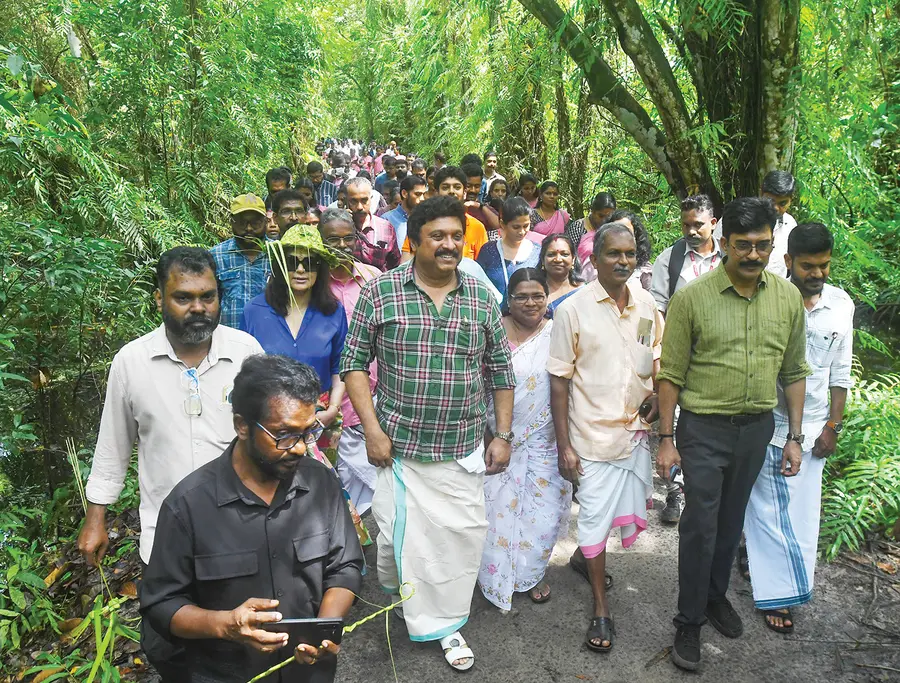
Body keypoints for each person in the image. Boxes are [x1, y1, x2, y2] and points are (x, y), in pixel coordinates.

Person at [341, 196, 515, 672]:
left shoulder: (480, 297)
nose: (449, 244)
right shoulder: (382, 293)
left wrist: (502, 434)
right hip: (398, 451)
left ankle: (446, 624)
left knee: (455, 544)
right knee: (393, 549)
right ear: (414, 242)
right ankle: (413, 599)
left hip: (460, 451)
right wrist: (371, 431)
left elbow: (501, 372)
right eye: (437, 236)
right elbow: (353, 364)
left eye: (456, 236)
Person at [78, 247, 264, 682]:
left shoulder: (246, 353)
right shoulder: (131, 362)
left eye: (208, 296)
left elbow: (269, 435)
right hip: (165, 541)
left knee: (248, 646)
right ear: (159, 298)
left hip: (243, 537)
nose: (198, 308)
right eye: (183, 297)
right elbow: (113, 445)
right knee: (169, 647)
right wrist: (95, 518)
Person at [139, 354, 364, 683]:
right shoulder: (188, 505)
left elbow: (345, 567)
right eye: (284, 434)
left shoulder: (321, 483)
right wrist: (226, 625)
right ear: (242, 425)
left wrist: (320, 632)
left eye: (307, 432)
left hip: (308, 674)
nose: (300, 448)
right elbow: (161, 605)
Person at [656, 197, 810, 672]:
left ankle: (715, 596)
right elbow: (671, 373)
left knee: (731, 522)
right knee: (700, 525)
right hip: (703, 429)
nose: (753, 254)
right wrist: (666, 439)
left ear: (772, 244)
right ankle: (689, 620)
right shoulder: (692, 298)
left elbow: (794, 371)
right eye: (743, 245)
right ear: (724, 243)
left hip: (756, 430)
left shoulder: (787, 298)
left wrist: (795, 436)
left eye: (762, 245)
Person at [548, 223, 663, 654]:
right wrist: (564, 445)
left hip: (633, 434)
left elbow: (655, 359)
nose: (623, 261)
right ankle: (600, 606)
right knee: (595, 519)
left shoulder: (648, 305)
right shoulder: (572, 310)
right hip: (591, 438)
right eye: (613, 253)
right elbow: (559, 381)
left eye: (630, 254)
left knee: (610, 514)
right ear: (594, 260)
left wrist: (657, 398)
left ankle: (583, 557)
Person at [744, 223, 853, 634]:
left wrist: (833, 425)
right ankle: (780, 594)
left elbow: (840, 371)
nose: (817, 274)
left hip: (816, 427)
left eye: (824, 265)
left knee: (804, 516)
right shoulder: (767, 297)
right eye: (808, 266)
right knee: (768, 513)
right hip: (768, 424)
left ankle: (785, 582)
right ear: (789, 261)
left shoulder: (841, 305)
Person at [478, 268, 572, 611]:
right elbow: (477, 385)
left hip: (545, 442)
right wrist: (489, 436)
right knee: (495, 515)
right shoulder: (493, 331)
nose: (530, 303)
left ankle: (530, 575)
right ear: (509, 298)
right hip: (498, 439)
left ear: (547, 298)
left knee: (542, 517)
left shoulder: (558, 333)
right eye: (522, 297)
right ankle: (495, 577)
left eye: (538, 296)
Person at [241, 225, 347, 461]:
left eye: (309, 263)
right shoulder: (254, 311)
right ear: (280, 266)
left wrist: (332, 410)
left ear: (320, 268)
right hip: (268, 422)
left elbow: (340, 368)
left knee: (318, 481)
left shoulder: (334, 312)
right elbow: (244, 371)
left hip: (318, 421)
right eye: (292, 262)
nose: (300, 270)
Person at [317, 209, 381, 514]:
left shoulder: (373, 278)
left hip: (373, 396)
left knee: (374, 489)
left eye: (348, 239)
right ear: (320, 241)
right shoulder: (311, 284)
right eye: (333, 240)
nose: (341, 246)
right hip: (329, 404)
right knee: (335, 487)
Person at [650, 194, 723, 316]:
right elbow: (658, 306)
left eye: (698, 225)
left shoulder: (728, 257)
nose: (691, 231)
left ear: (713, 223)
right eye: (686, 225)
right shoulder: (668, 259)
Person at [400, 166, 489, 261]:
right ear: (436, 192)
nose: (451, 191)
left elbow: (482, 265)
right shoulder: (421, 222)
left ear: (464, 192)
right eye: (445, 187)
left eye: (457, 187)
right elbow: (406, 262)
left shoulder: (477, 227)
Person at [210, 194, 271, 329]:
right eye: (242, 223)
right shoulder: (216, 256)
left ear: (266, 221)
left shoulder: (278, 254)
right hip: (229, 337)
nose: (249, 228)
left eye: (255, 223)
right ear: (232, 222)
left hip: (268, 336)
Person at [475, 197, 540, 301]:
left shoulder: (538, 252)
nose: (522, 232)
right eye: (516, 227)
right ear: (502, 224)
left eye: (526, 226)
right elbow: (477, 286)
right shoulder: (488, 251)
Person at [579, 210, 652, 288]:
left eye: (626, 231)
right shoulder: (593, 263)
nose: (621, 236)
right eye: (616, 231)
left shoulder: (644, 267)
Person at [345, 177, 401, 272]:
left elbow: (395, 265)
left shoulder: (385, 228)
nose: (359, 207)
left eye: (364, 200)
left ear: (371, 199)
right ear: (346, 201)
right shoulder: (339, 228)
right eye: (354, 201)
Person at [760, 170, 798, 279]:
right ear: (761, 194)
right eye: (770, 201)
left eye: (782, 203)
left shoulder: (790, 225)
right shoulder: (738, 218)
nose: (775, 208)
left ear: (791, 200)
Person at [537, 233, 583, 313]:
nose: (558, 259)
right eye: (551, 255)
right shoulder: (533, 290)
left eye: (564, 254)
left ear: (573, 259)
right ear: (542, 260)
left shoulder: (584, 291)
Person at [382, 174, 427, 246]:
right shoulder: (386, 220)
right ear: (404, 193)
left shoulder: (426, 219)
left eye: (423, 194)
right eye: (417, 194)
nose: (422, 199)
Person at [461, 163, 501, 238]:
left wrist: (480, 206)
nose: (473, 190)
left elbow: (499, 226)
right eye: (468, 186)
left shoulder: (486, 209)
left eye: (477, 186)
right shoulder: (453, 207)